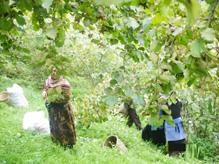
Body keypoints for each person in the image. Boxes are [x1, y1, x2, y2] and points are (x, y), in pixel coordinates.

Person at [42, 66, 76, 148]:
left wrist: (56, 97)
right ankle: (56, 143)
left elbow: (67, 97)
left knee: (65, 127)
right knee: (54, 126)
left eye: (56, 71)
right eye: (53, 71)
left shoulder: (64, 83)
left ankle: (68, 145)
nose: (54, 73)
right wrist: (44, 93)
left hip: (63, 109)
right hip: (53, 109)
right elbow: (45, 90)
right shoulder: (48, 81)